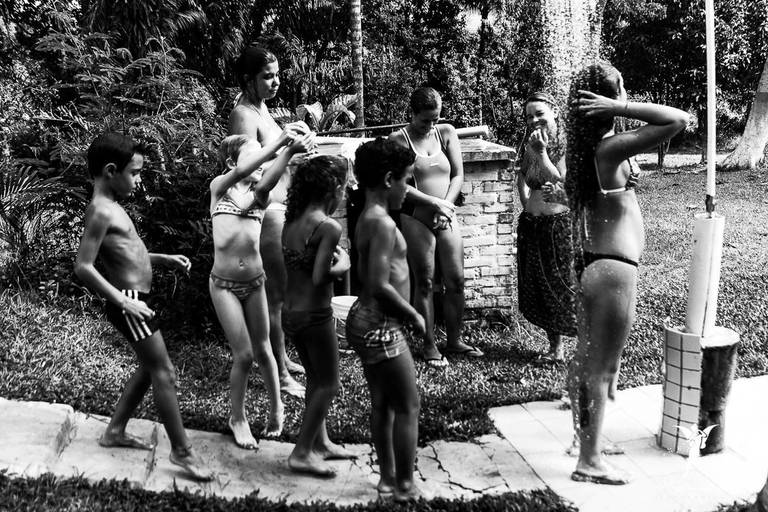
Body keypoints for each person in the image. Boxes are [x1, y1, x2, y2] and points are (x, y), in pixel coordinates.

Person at [565, 61, 688, 485]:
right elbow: (678, 119)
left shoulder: (587, 151)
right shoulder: (608, 149)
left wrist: (611, 106)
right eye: (618, 91)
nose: (624, 96)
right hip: (613, 271)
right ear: (602, 101)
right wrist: (622, 105)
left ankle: (586, 441)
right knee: (599, 369)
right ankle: (588, 459)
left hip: (592, 264)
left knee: (590, 363)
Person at [74, 132, 213, 481]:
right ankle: (182, 452)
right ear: (110, 171)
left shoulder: (111, 207)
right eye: (134, 173)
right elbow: (83, 266)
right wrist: (122, 301)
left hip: (137, 299)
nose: (138, 180)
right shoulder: (101, 210)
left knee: (149, 368)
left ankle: (115, 430)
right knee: (164, 371)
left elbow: (128, 254)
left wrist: (162, 258)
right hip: (130, 302)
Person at [209, 130, 314, 449]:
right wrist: (282, 140)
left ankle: (276, 408)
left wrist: (287, 152)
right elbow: (241, 171)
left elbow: (266, 180)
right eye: (256, 153)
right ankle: (237, 418)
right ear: (230, 160)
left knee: (266, 351)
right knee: (243, 355)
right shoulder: (219, 189)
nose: (262, 159)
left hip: (255, 284)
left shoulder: (260, 193)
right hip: (223, 286)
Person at [346, 138, 425, 502]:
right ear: (390, 179)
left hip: (365, 321)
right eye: (407, 180)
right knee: (408, 405)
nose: (408, 189)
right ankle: (405, 485)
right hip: (380, 324)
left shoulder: (367, 214)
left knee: (383, 403)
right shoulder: (382, 224)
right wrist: (413, 315)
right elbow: (378, 284)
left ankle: (387, 479)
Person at [229, 44, 306, 397]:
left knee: (278, 293)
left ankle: (283, 358)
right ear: (249, 79)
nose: (275, 82)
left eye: (277, 75)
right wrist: (286, 146)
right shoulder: (244, 115)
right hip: (265, 213)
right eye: (267, 76)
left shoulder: (263, 109)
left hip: (279, 210)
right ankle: (281, 373)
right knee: (272, 296)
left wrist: (295, 141)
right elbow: (246, 172)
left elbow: (274, 154)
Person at [389, 87, 481, 368]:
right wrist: (434, 204)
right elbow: (399, 185)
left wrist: (447, 206)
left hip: (446, 214)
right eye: (425, 120)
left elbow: (457, 174)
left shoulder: (447, 133)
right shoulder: (399, 140)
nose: (430, 125)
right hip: (416, 215)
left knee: (455, 280)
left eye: (435, 119)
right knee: (426, 281)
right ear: (413, 114)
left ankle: (454, 341)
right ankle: (429, 344)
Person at [282, 155, 357, 477]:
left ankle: (321, 442)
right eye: (346, 186)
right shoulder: (327, 226)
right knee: (329, 384)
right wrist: (343, 268)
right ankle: (301, 452)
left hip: (290, 315)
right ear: (334, 189)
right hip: (315, 315)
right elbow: (319, 276)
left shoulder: (292, 221)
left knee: (314, 379)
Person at [516, 91, 577, 362]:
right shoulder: (528, 143)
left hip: (558, 224)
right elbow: (523, 176)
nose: (534, 120)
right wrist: (526, 201)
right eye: (529, 116)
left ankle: (590, 344)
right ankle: (555, 349)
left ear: (554, 112)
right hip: (532, 224)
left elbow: (564, 183)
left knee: (561, 286)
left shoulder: (566, 145)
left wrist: (542, 154)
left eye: (540, 114)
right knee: (539, 287)